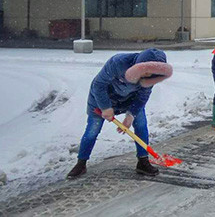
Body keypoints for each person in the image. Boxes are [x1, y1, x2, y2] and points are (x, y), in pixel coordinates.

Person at [67, 48, 173, 179]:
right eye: (145, 71)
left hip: (129, 100)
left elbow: (142, 96)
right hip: (101, 99)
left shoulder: (152, 77)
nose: (147, 75)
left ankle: (143, 161)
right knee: (92, 130)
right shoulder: (118, 62)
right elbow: (99, 85)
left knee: (141, 124)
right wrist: (106, 107)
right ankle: (81, 163)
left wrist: (131, 115)